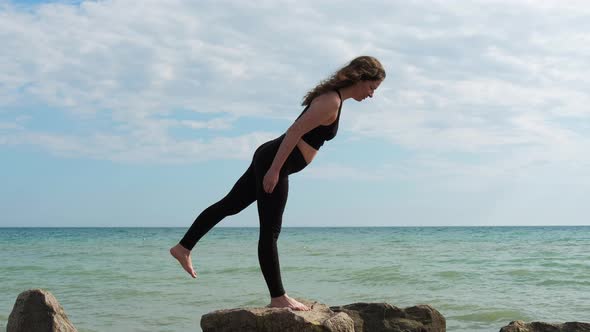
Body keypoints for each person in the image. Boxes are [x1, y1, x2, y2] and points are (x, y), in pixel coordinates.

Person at [170, 55, 386, 311]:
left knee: (231, 205)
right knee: (269, 231)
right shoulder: (331, 101)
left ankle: (183, 247)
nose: (372, 94)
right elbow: (294, 131)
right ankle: (278, 297)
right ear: (361, 78)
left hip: (272, 158)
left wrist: (274, 167)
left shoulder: (334, 98)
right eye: (372, 87)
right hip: (275, 161)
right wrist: (274, 170)